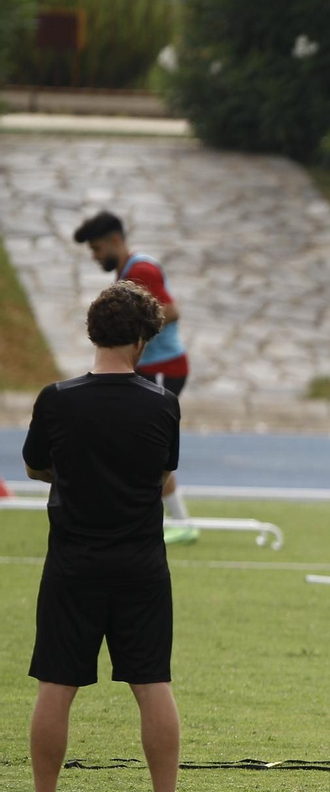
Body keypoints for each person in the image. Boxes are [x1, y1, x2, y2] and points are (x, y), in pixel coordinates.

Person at [11, 282, 188, 792]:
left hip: (73, 564)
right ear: (141, 338)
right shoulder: (163, 404)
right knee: (151, 683)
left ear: (93, 332)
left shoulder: (57, 399)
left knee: (56, 685)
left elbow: (35, 468)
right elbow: (164, 483)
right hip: (140, 566)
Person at [73, 211, 198, 546]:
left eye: (98, 248)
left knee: (150, 446)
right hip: (148, 366)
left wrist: (132, 328)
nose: (96, 256)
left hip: (163, 367)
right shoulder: (129, 270)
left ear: (116, 240)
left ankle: (182, 522)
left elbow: (170, 311)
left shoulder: (140, 271)